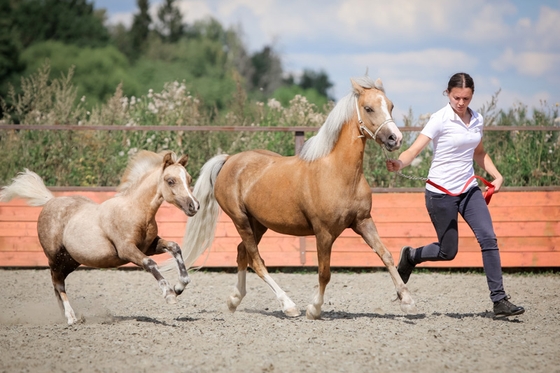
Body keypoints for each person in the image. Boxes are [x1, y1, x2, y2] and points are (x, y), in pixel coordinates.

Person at [385, 72, 524, 318]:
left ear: (471, 97)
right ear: (448, 94)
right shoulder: (440, 119)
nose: (461, 103)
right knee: (448, 252)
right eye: (456, 97)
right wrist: (399, 163)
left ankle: (499, 300)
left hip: (469, 189)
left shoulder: (477, 119)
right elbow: (415, 148)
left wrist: (497, 175)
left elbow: (479, 152)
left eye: (466, 98)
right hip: (440, 194)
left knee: (488, 238)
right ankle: (411, 256)